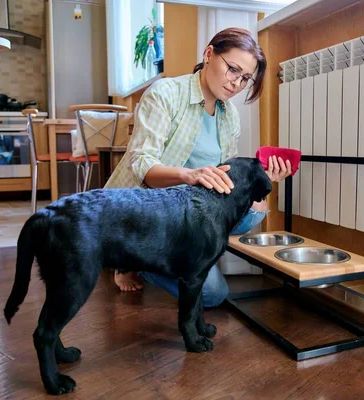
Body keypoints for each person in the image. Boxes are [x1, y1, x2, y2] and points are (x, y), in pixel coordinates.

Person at [104, 27, 292, 307]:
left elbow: (226, 178)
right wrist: (189, 176)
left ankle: (183, 253)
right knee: (212, 295)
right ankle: (129, 256)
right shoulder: (166, 93)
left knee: (256, 211)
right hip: (144, 212)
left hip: (187, 213)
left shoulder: (230, 117)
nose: (236, 84)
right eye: (232, 70)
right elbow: (142, 163)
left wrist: (262, 180)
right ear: (208, 55)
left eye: (244, 79)